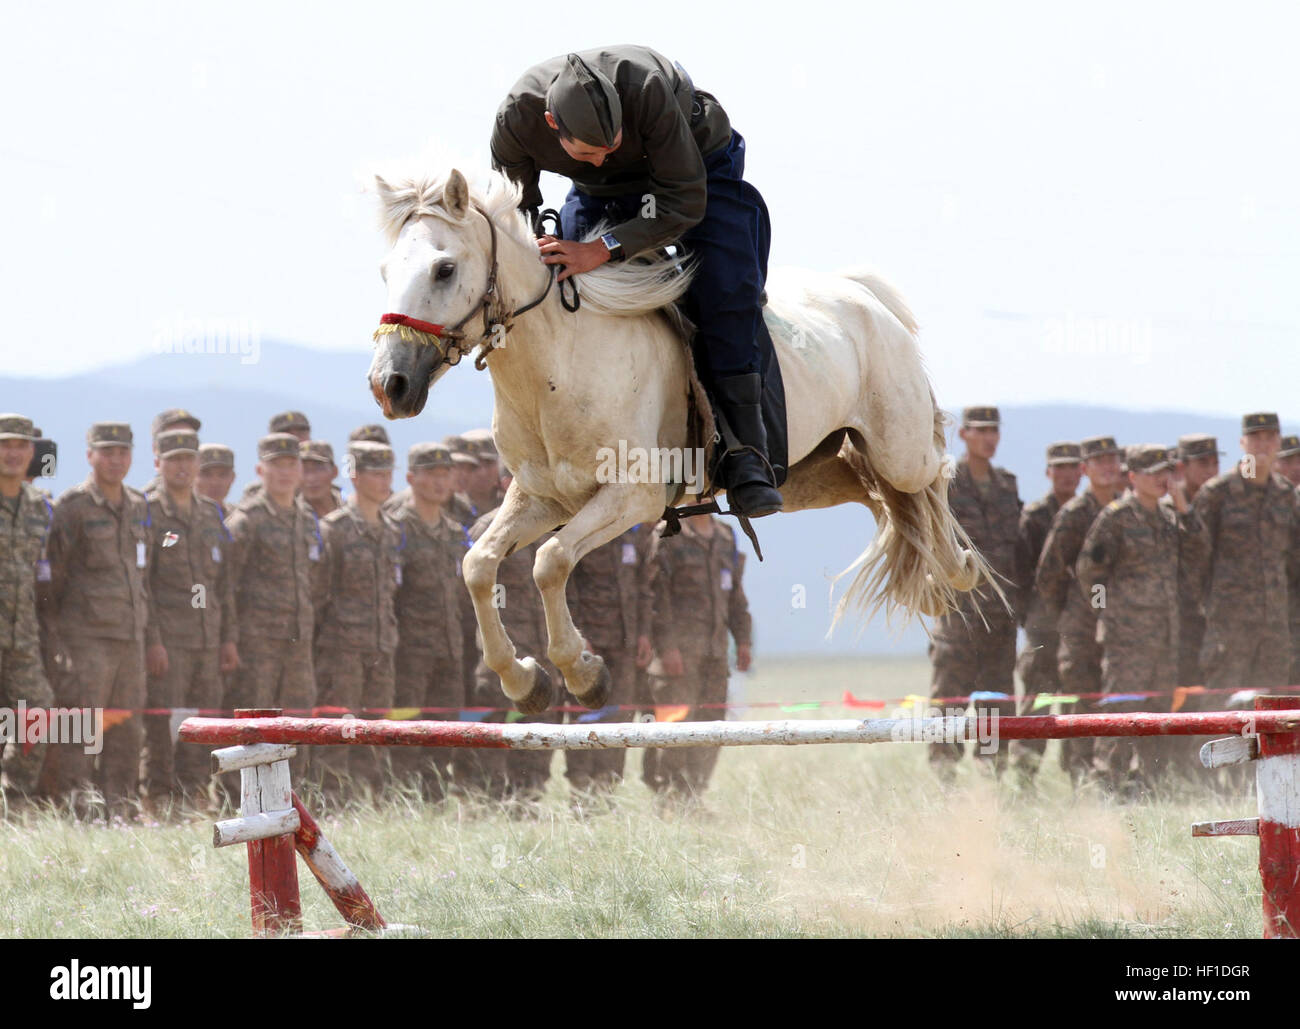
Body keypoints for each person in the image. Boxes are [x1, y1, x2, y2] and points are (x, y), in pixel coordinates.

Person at [491, 46, 782, 516]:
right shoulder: (513, 122)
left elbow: (684, 204)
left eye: (612, 144)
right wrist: (547, 252)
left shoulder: (647, 93)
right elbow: (516, 211)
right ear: (550, 125)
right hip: (596, 193)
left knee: (723, 292)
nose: (605, 157)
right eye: (589, 151)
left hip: (697, 171)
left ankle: (747, 453)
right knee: (561, 287)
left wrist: (600, 250)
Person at [1075, 445, 1205, 796]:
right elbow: (1090, 571)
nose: (1163, 479)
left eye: (1166, 471)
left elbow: (1198, 552)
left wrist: (1184, 508)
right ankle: (1107, 784)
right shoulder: (1116, 518)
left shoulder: (1168, 518)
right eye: (1153, 473)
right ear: (1132, 477)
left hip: (1165, 636)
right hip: (1126, 639)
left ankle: (1146, 785)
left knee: (1158, 711)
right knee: (1122, 710)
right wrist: (1107, 612)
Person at [46, 422, 151, 818]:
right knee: (82, 729)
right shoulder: (73, 508)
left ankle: (121, 809)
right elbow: (52, 581)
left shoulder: (140, 506)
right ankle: (79, 809)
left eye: (122, 452)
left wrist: (150, 637)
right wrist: (57, 644)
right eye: (106, 452)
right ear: (89, 455)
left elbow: (145, 578)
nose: (115, 460)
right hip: (85, 640)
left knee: (127, 730)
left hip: (131, 639)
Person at [927, 406, 1026, 781]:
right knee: (950, 699)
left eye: (994, 431)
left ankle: (991, 772)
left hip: (1000, 618)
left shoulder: (1007, 485)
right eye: (981, 430)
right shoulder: (945, 483)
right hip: (959, 614)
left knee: (995, 700)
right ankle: (944, 773)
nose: (989, 438)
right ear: (964, 434)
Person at [142, 430, 238, 809]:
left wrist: (228, 639)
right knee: (165, 725)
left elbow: (223, 585)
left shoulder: (210, 513)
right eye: (173, 459)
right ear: (158, 463)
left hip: (207, 640)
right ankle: (160, 798)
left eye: (188, 458)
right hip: (169, 640)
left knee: (204, 722)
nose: (182, 466)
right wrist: (152, 641)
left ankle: (196, 795)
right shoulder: (148, 512)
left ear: (197, 464)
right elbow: (143, 584)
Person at [223, 434, 320, 780]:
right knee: (255, 726)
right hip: (257, 642)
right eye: (276, 465)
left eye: (290, 464)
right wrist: (229, 639)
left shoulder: (306, 519)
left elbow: (314, 580)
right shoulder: (246, 521)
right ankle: (242, 796)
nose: (284, 472)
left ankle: (296, 798)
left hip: (298, 643)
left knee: (298, 720)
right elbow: (226, 586)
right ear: (260, 470)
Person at [1188, 413, 1300, 711]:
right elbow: (1193, 559)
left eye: (1269, 437)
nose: (1263, 444)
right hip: (1228, 627)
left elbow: (1294, 563)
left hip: (1275, 628)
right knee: (1222, 709)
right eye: (1255, 437)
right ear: (1242, 442)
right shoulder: (1217, 494)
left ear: (1278, 441)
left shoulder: (1287, 496)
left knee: (1273, 710)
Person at [311, 442, 403, 801]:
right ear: (355, 476)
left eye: (388, 473)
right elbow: (318, 594)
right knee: (338, 729)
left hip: (381, 647)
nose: (384, 481)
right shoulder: (333, 529)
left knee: (376, 729)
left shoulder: (391, 530)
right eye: (376, 474)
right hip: (341, 649)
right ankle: (332, 800)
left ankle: (369, 798)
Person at [1035, 435, 1124, 783]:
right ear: (1085, 469)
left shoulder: (1125, 508)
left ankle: (1112, 777)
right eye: (1099, 461)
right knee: (1083, 704)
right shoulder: (1074, 514)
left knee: (1115, 702)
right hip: (1082, 628)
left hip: (1123, 629)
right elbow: (1049, 574)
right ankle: (1080, 778)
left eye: (1112, 460)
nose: (1107, 467)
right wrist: (1074, 612)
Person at [387, 443, 473, 800]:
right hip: (409, 651)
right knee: (406, 725)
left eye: (445, 474)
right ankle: (403, 794)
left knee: (444, 726)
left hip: (448, 648)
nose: (440, 482)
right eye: (431, 474)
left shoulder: (455, 533)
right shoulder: (396, 529)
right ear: (411, 478)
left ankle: (435, 795)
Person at [645, 512, 751, 800]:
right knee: (674, 730)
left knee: (711, 728)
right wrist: (666, 648)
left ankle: (694, 796)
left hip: (715, 656)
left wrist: (743, 641)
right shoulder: (668, 533)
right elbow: (656, 596)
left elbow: (735, 596)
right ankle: (668, 797)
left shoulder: (726, 535)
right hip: (677, 659)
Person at [562, 526, 654, 801]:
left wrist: (644, 634)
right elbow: (566, 589)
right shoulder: (579, 532)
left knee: (619, 719)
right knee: (584, 718)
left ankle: (607, 792)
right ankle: (582, 794)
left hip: (625, 646)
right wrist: (577, 637)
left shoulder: (631, 532)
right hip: (589, 646)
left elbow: (642, 589)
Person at [1012, 441, 1082, 781]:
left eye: (1073, 467)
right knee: (1038, 701)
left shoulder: (1090, 512)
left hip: (1080, 629)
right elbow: (1022, 572)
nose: (1067, 474)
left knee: (1076, 704)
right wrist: (1030, 618)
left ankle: (1077, 775)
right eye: (1060, 467)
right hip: (1043, 629)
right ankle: (1024, 774)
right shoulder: (1036, 517)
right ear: (1048, 472)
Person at [0, 414, 56, 806]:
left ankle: (15, 801)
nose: (13, 453)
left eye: (21, 446)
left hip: (23, 638)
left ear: (32, 452)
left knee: (37, 714)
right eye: (5, 445)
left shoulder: (40, 507)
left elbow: (46, 573)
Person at [1171, 434, 1222, 688]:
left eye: (1215, 463)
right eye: (1203, 464)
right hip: (1178, 623)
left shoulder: (1225, 503)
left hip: (1217, 619)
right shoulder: (1164, 509)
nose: (1211, 471)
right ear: (1182, 467)